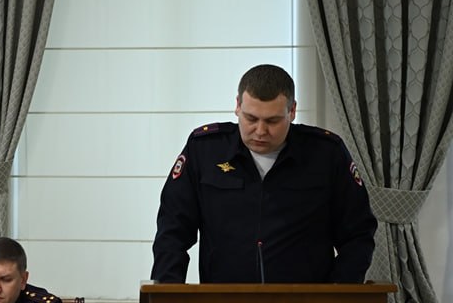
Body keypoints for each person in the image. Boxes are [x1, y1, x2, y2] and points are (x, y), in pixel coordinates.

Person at [151, 64, 377, 284]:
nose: (260, 131)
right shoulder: (204, 151)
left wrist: (338, 294)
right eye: (251, 118)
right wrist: (167, 296)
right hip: (223, 301)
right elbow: (172, 231)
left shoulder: (326, 154)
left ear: (292, 111)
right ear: (237, 106)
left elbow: (358, 234)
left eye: (272, 121)